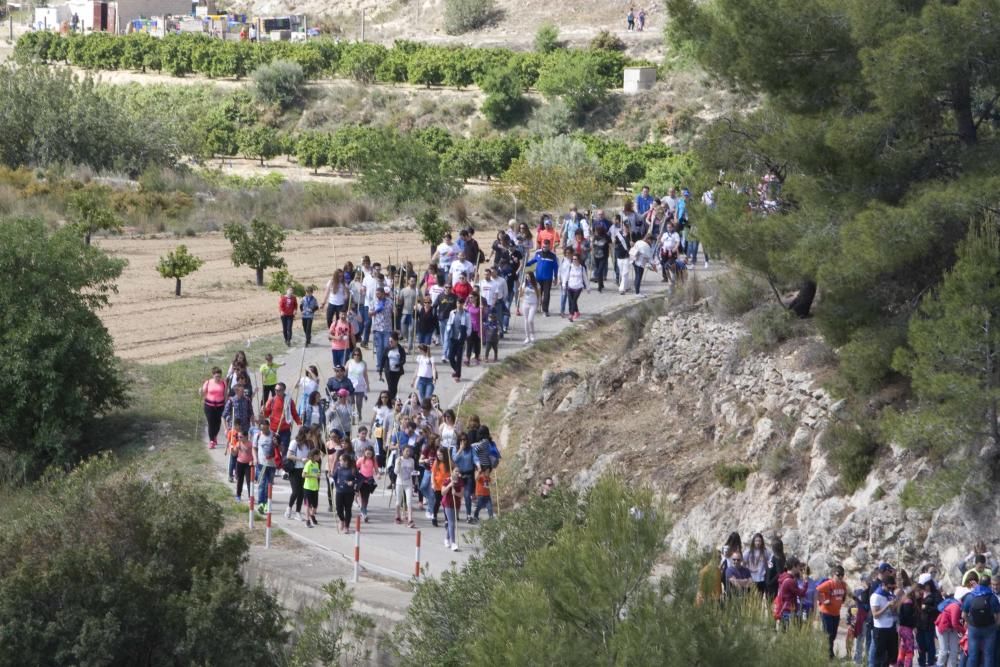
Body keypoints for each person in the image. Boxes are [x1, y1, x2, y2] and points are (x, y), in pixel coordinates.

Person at [962, 573, 1000, 666]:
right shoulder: (992, 597)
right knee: (988, 655)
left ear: (979, 583)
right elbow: (997, 616)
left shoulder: (970, 596)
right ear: (989, 585)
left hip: (974, 628)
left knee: (973, 655)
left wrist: (969, 623)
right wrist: (995, 626)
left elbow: (963, 615)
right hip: (989, 629)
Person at [262, 382, 300, 462]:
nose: (276, 392)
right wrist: (264, 410)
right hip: (273, 429)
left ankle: (284, 467)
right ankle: (274, 465)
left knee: (284, 448)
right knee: (272, 448)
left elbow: (294, 413)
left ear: (283, 390)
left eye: (279, 390)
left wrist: (299, 423)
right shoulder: (272, 400)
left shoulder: (289, 400)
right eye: (275, 390)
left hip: (285, 429)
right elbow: (266, 415)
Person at [816, 565, 848, 659]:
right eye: (838, 575)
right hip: (826, 612)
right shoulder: (828, 584)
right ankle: (828, 654)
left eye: (842, 575)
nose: (840, 577)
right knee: (828, 634)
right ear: (833, 574)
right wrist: (822, 601)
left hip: (836, 613)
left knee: (833, 635)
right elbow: (817, 590)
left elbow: (845, 594)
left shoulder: (843, 585)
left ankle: (827, 651)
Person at [871, 574, 900, 667]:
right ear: (883, 584)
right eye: (889, 587)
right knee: (880, 656)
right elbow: (875, 615)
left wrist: (895, 606)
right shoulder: (876, 596)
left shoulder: (890, 594)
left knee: (892, 655)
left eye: (892, 588)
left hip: (891, 628)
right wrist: (887, 606)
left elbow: (894, 611)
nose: (890, 590)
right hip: (881, 629)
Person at [526, 240, 558, 317]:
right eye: (543, 246)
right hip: (538, 278)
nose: (544, 248)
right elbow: (533, 261)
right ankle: (536, 308)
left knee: (546, 295)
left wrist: (555, 277)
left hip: (548, 278)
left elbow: (555, 267)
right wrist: (526, 263)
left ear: (549, 246)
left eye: (546, 247)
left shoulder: (553, 256)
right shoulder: (538, 253)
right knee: (537, 294)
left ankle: (545, 310)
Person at [284, 429, 310, 520]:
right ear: (304, 433)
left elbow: (309, 455)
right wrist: (301, 459)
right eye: (308, 433)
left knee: (302, 492)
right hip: (294, 470)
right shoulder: (294, 442)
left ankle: (298, 512)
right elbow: (289, 455)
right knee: (295, 491)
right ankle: (289, 508)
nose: (309, 436)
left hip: (303, 470)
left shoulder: (308, 444)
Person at [201, 367, 228, 449]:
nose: (218, 378)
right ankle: (211, 441)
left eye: (219, 376)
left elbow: (225, 394)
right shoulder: (208, 382)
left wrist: (227, 404)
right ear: (213, 375)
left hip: (220, 406)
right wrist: (200, 391)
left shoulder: (223, 383)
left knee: (218, 423)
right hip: (209, 406)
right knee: (211, 423)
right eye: (216, 376)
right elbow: (203, 392)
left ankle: (215, 435)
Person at [445, 297, 472, 381]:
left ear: (463, 304)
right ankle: (456, 370)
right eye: (458, 303)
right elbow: (449, 322)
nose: (459, 305)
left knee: (459, 357)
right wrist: (448, 329)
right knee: (450, 356)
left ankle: (458, 375)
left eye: (461, 303)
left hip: (461, 338)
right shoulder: (452, 313)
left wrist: (466, 334)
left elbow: (469, 326)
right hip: (453, 337)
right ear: (456, 304)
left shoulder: (466, 314)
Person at [254, 419, 276, 513]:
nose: (264, 431)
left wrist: (277, 443)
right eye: (262, 429)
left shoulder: (274, 435)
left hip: (271, 465)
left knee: (269, 485)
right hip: (261, 464)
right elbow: (254, 448)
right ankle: (261, 504)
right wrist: (255, 459)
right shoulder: (258, 435)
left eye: (266, 429)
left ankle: (267, 503)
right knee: (262, 484)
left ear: (269, 427)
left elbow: (281, 449)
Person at [332, 453, 358, 533]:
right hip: (339, 491)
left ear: (346, 461)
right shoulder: (339, 468)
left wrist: (352, 482)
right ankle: (341, 520)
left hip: (349, 492)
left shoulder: (353, 469)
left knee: (348, 509)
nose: (339, 462)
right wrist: (330, 476)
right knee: (338, 508)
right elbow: (334, 477)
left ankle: (347, 526)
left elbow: (359, 480)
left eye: (341, 460)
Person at [380, 332, 407, 403]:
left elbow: (403, 360)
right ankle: (390, 400)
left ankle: (392, 399)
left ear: (396, 341)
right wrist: (380, 372)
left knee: (394, 387)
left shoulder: (400, 349)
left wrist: (398, 365)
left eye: (391, 341)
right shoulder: (387, 349)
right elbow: (382, 360)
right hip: (388, 371)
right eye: (389, 341)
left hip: (397, 371)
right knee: (390, 386)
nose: (390, 343)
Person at [394, 445, 416, 528]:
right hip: (400, 483)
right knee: (398, 501)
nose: (408, 453)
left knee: (409, 501)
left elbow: (412, 471)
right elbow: (396, 472)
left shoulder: (412, 460)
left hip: (408, 483)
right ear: (402, 451)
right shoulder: (398, 459)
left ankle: (410, 519)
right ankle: (397, 516)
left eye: (409, 451)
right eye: (406, 451)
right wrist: (398, 464)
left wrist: (415, 474)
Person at [442, 469, 463, 552]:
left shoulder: (460, 481)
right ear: (452, 471)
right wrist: (449, 486)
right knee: (452, 523)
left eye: (458, 471)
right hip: (447, 503)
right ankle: (453, 543)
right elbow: (443, 493)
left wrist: (456, 493)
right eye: (456, 471)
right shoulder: (447, 480)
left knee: (452, 522)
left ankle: (446, 539)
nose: (457, 473)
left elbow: (461, 494)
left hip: (456, 503)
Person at [564, 253, 589, 321]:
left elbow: (585, 278)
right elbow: (566, 276)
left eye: (575, 259)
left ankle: (571, 315)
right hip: (570, 286)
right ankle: (576, 312)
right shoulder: (570, 267)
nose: (574, 260)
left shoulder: (582, 268)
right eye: (573, 259)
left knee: (574, 300)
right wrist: (564, 284)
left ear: (578, 260)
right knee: (570, 301)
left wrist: (588, 288)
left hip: (578, 287)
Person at [357, 446, 379, 522]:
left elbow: (376, 469)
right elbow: (356, 467)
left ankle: (363, 509)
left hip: (369, 481)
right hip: (361, 480)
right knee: (362, 497)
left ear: (372, 454)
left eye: (370, 453)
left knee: (366, 498)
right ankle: (364, 513)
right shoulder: (361, 459)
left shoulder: (373, 460)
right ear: (364, 452)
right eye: (367, 453)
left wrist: (378, 474)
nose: (368, 455)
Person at [301, 449, 322, 527]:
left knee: (315, 506)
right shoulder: (308, 464)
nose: (320, 457)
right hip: (308, 488)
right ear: (314, 456)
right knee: (308, 505)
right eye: (319, 455)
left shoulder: (317, 464)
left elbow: (318, 472)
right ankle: (307, 520)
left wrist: (319, 474)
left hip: (315, 488)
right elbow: (303, 475)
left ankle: (312, 515)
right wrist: (313, 476)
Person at [611, 214, 631, 293]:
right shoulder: (618, 234)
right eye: (625, 226)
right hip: (619, 255)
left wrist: (632, 244)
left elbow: (635, 246)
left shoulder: (631, 235)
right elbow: (615, 243)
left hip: (626, 256)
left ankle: (622, 288)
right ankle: (627, 285)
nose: (626, 228)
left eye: (627, 227)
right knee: (622, 272)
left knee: (625, 273)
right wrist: (614, 241)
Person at [233, 430, 254, 503]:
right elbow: (234, 454)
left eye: (241, 437)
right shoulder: (238, 443)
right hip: (240, 463)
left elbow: (254, 454)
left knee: (249, 481)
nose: (239, 438)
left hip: (248, 464)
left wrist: (253, 460)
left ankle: (250, 497)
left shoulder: (250, 444)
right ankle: (238, 495)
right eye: (238, 437)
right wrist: (232, 449)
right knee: (240, 480)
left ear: (246, 436)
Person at [521, 273, 541, 344]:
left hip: (533, 304)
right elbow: (521, 294)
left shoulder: (536, 285)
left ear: (532, 277)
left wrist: (539, 304)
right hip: (525, 303)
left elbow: (539, 295)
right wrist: (520, 291)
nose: (527, 278)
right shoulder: (524, 284)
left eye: (528, 276)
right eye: (526, 277)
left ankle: (532, 335)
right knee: (526, 320)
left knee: (530, 320)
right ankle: (527, 337)